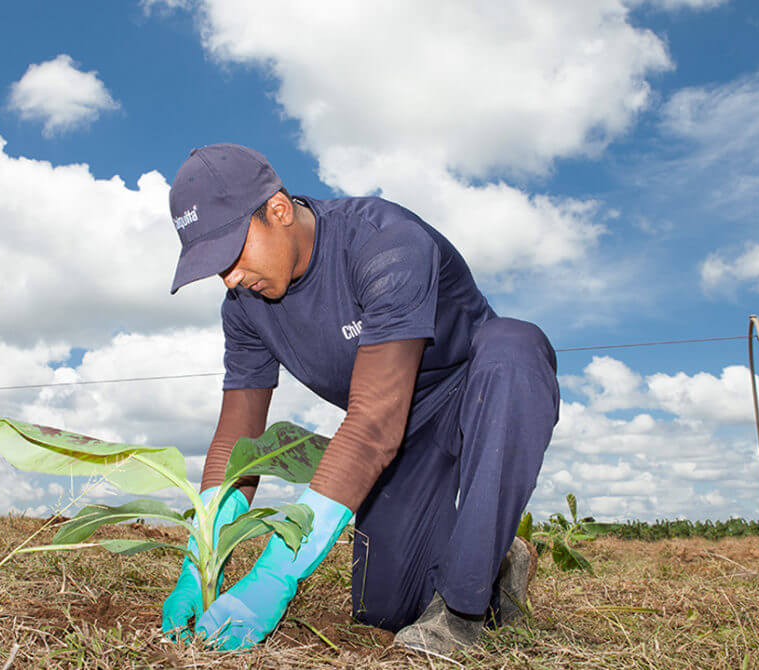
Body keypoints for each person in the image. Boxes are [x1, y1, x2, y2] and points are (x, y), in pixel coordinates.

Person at [160, 143, 560, 656]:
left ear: (278, 210)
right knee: (387, 609)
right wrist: (199, 564)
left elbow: (372, 422)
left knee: (514, 350)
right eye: (215, 267)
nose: (230, 277)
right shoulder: (244, 306)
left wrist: (276, 572)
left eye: (232, 254)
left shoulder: (383, 243)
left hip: (472, 393)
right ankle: (497, 565)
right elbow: (237, 441)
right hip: (403, 434)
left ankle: (462, 609)